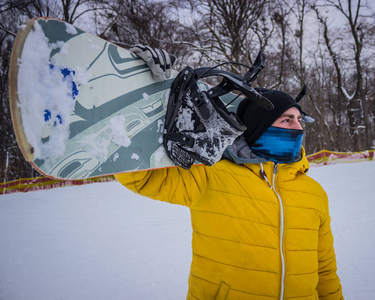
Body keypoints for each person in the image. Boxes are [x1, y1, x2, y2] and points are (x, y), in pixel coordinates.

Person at [115, 46, 343, 299]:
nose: (298, 127)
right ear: (259, 126)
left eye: (299, 120)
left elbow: (324, 269)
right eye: (287, 120)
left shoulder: (312, 192)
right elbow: (140, 175)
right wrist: (135, 88)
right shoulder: (211, 176)